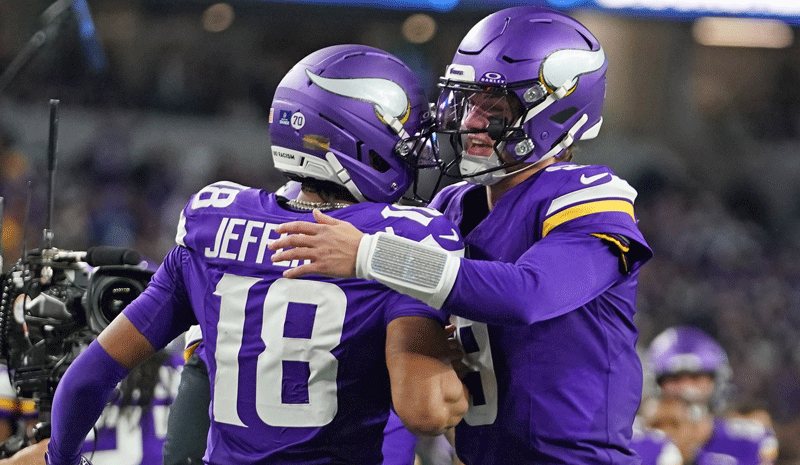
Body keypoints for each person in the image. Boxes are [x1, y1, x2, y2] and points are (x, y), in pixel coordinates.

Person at [43, 44, 469, 465]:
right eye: (407, 140)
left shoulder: (213, 222)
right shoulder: (405, 237)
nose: (415, 152)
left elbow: (90, 376)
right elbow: (429, 411)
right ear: (363, 144)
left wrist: (60, 459)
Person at [269, 6, 653, 464]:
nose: (471, 121)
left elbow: (526, 296)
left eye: (496, 106)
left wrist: (373, 254)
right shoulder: (453, 204)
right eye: (468, 101)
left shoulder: (593, 199)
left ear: (559, 107)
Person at [642, 325, 778, 465]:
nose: (686, 387)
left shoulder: (749, 440)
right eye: (675, 379)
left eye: (695, 377)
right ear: (656, 384)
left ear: (716, 381)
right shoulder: (636, 442)